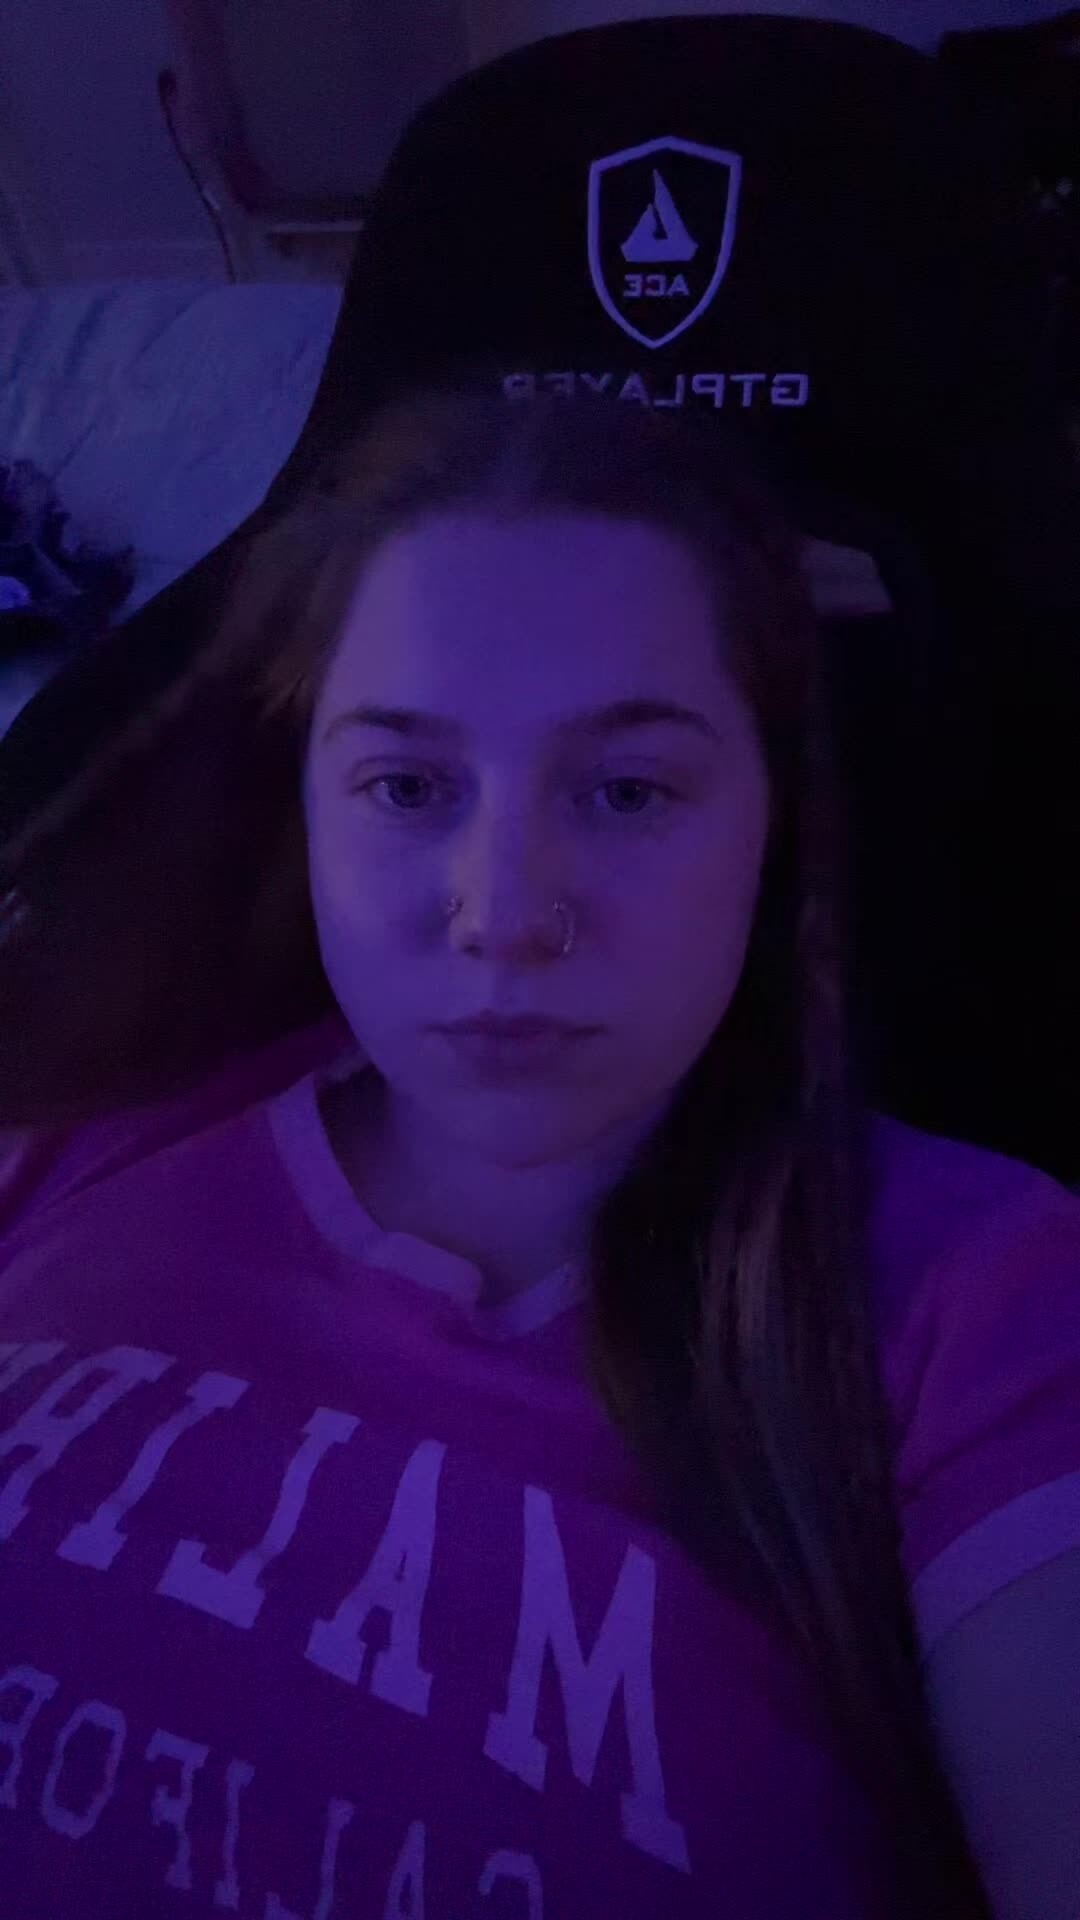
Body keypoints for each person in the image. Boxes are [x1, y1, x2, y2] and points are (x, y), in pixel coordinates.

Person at [0, 389, 1076, 1920]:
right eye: (408, 786)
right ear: (305, 800)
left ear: (774, 819)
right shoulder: (71, 1128)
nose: (505, 914)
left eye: (627, 790)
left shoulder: (978, 1295)